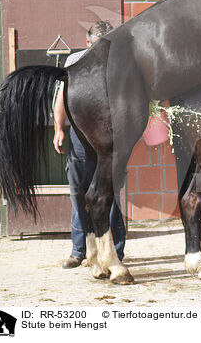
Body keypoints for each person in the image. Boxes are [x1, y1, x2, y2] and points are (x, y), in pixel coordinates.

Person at [53, 21, 126, 269]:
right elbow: (62, 98)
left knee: (110, 190)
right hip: (81, 133)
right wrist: (58, 129)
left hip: (110, 134)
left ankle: (115, 249)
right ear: (88, 43)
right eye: (97, 45)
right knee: (80, 190)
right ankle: (79, 249)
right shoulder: (74, 62)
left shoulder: (118, 61)